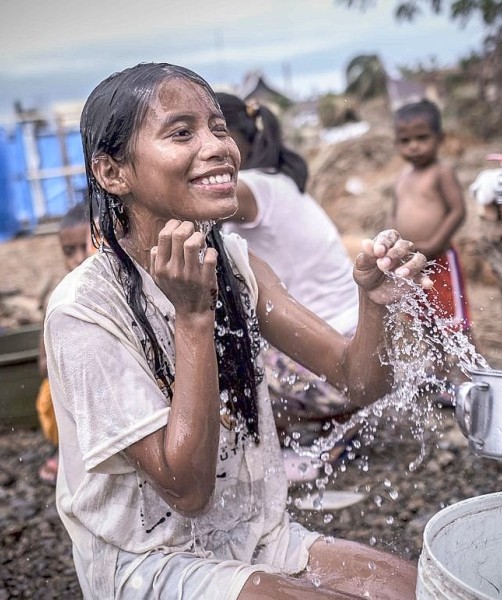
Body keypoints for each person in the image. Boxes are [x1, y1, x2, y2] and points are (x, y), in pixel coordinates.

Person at [44, 62, 430, 599]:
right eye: (182, 133)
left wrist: (375, 304)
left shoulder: (236, 264)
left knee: (418, 589)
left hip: (256, 538)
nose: (218, 146)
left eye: (218, 128)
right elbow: (187, 490)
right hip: (151, 562)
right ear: (113, 173)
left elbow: (357, 380)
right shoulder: (84, 310)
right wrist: (194, 317)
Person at [215, 92, 361, 480]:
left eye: (215, 134)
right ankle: (327, 426)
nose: (204, 149)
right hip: (355, 350)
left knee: (207, 343)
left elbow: (199, 205)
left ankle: (275, 443)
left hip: (337, 370)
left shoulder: (252, 188)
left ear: (238, 139)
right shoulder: (278, 184)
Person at [391, 99, 471, 404]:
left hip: (439, 262)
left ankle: (468, 377)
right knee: (427, 321)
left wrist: (435, 243)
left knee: (454, 322)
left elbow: (458, 211)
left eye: (422, 138)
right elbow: (396, 214)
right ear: (396, 143)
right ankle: (440, 377)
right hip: (414, 266)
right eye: (405, 141)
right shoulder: (402, 178)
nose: (413, 147)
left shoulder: (441, 172)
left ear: (440, 138)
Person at [35, 200, 90, 485]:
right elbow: (43, 363)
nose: (78, 259)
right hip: (73, 385)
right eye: (69, 252)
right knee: (49, 398)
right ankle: (66, 451)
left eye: (85, 247)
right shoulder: (59, 299)